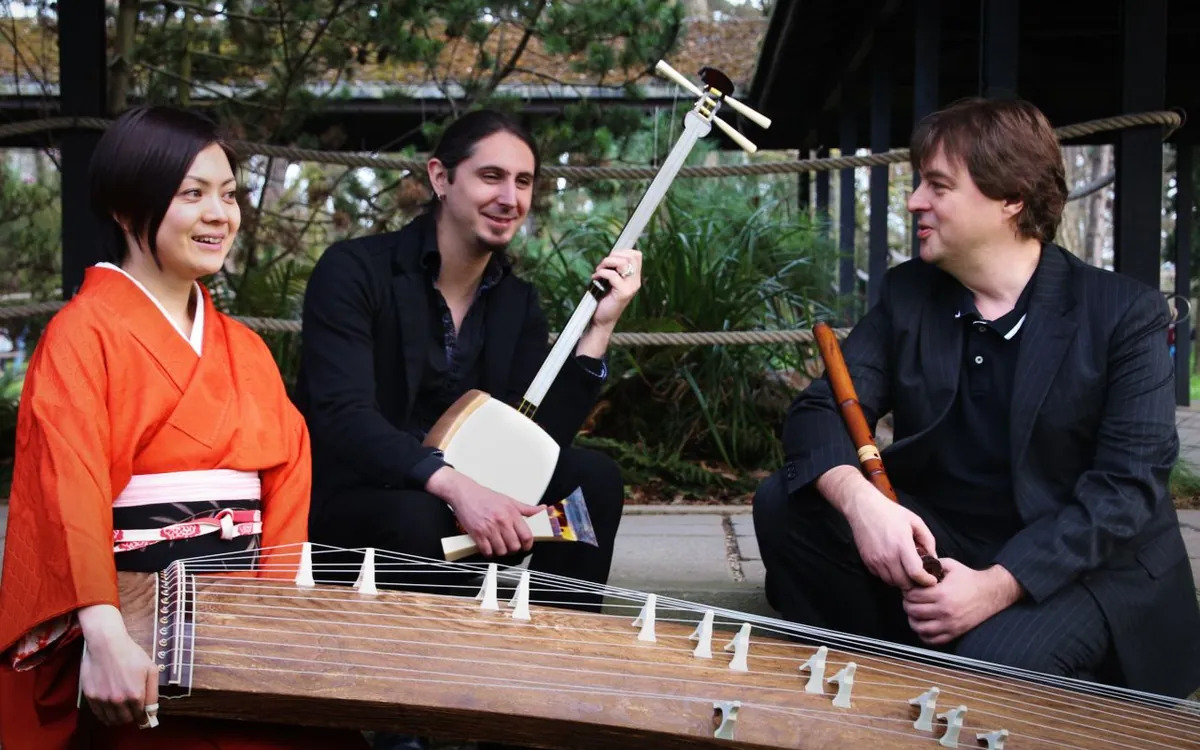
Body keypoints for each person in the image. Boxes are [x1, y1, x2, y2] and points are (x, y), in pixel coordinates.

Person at [753, 97, 1200, 699]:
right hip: (953, 539)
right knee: (787, 503)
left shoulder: (1124, 313)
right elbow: (818, 409)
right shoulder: (911, 292)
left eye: (938, 186)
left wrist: (995, 586)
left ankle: (983, 655)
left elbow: (1124, 491)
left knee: (981, 677)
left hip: (1083, 566)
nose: (915, 202)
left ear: (1011, 196)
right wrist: (865, 505)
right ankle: (889, 664)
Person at [0, 106, 367, 749]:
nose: (220, 215)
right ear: (125, 207)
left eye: (227, 195)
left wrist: (271, 629)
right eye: (191, 194)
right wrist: (106, 634)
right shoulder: (82, 335)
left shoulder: (246, 348)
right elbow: (70, 492)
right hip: (137, 628)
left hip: (239, 635)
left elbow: (286, 481)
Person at [293, 109, 637, 611]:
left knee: (591, 482)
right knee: (421, 518)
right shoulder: (354, 271)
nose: (509, 198)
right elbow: (341, 415)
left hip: (468, 513)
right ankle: (448, 667)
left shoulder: (516, 302)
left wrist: (599, 328)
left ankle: (555, 652)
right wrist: (455, 486)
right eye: (491, 176)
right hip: (359, 505)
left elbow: (538, 442)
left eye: (523, 182)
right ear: (440, 177)